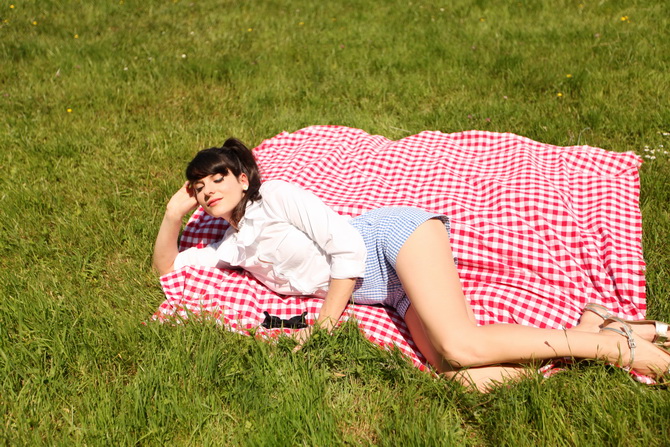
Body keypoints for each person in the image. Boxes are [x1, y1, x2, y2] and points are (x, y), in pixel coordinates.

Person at [153, 138, 670, 391]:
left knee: (460, 344)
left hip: (391, 240)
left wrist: (326, 324)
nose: (206, 190)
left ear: (243, 178)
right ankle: (594, 329)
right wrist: (174, 211)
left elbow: (348, 249)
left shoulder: (278, 197)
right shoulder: (233, 245)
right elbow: (168, 273)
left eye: (216, 178)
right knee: (456, 374)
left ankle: (616, 350)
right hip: (389, 293)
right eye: (198, 187)